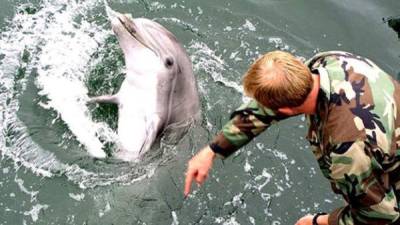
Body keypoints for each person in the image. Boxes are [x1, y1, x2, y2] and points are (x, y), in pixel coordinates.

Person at [184, 50, 400, 225]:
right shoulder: (328, 63)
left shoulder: (346, 147)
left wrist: (318, 221)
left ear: (284, 110)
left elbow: (380, 216)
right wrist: (213, 149)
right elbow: (269, 105)